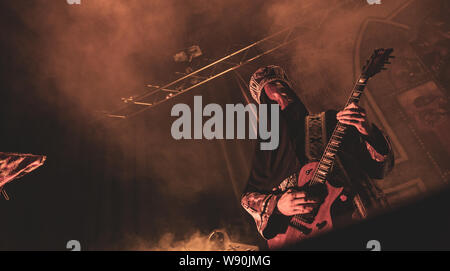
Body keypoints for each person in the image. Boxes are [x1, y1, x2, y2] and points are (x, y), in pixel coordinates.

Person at [241, 65, 394, 248]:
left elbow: (379, 167)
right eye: (272, 100)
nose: (282, 100)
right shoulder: (267, 150)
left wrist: (367, 131)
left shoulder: (329, 121)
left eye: (284, 93)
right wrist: (278, 205)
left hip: (358, 215)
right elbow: (249, 198)